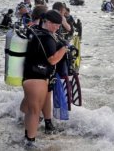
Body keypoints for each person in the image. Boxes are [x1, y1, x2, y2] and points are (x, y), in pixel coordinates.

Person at [23, 10, 68, 148]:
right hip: (36, 77)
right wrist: (65, 48)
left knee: (34, 108)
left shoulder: (36, 30)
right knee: (34, 111)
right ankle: (30, 143)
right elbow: (53, 60)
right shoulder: (46, 38)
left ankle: (30, 135)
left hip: (36, 75)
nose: (58, 28)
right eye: (56, 25)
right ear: (47, 22)